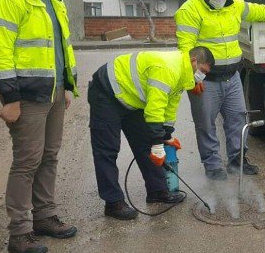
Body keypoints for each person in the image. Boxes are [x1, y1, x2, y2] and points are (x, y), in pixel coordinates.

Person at [0, 0, 78, 253]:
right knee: (27, 162)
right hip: (26, 96)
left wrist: (67, 85)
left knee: (49, 156)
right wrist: (9, 98)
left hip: (53, 92)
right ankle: (20, 232)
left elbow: (60, 46)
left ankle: (44, 216)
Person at [175, 0, 265, 180]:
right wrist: (193, 79)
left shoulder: (235, 3)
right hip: (205, 81)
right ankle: (213, 167)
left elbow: (259, 12)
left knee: (237, 120)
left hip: (232, 77)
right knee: (206, 124)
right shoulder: (189, 10)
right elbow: (186, 49)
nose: (220, 1)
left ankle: (237, 160)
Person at [88, 47, 214, 219]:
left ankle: (157, 191)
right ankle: (113, 202)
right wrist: (157, 143)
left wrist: (166, 136)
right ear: (193, 61)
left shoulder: (184, 77)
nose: (202, 76)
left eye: (205, 73)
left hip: (132, 97)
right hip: (107, 91)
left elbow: (169, 108)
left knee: (145, 144)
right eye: (202, 70)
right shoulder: (169, 69)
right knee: (107, 150)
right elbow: (155, 110)